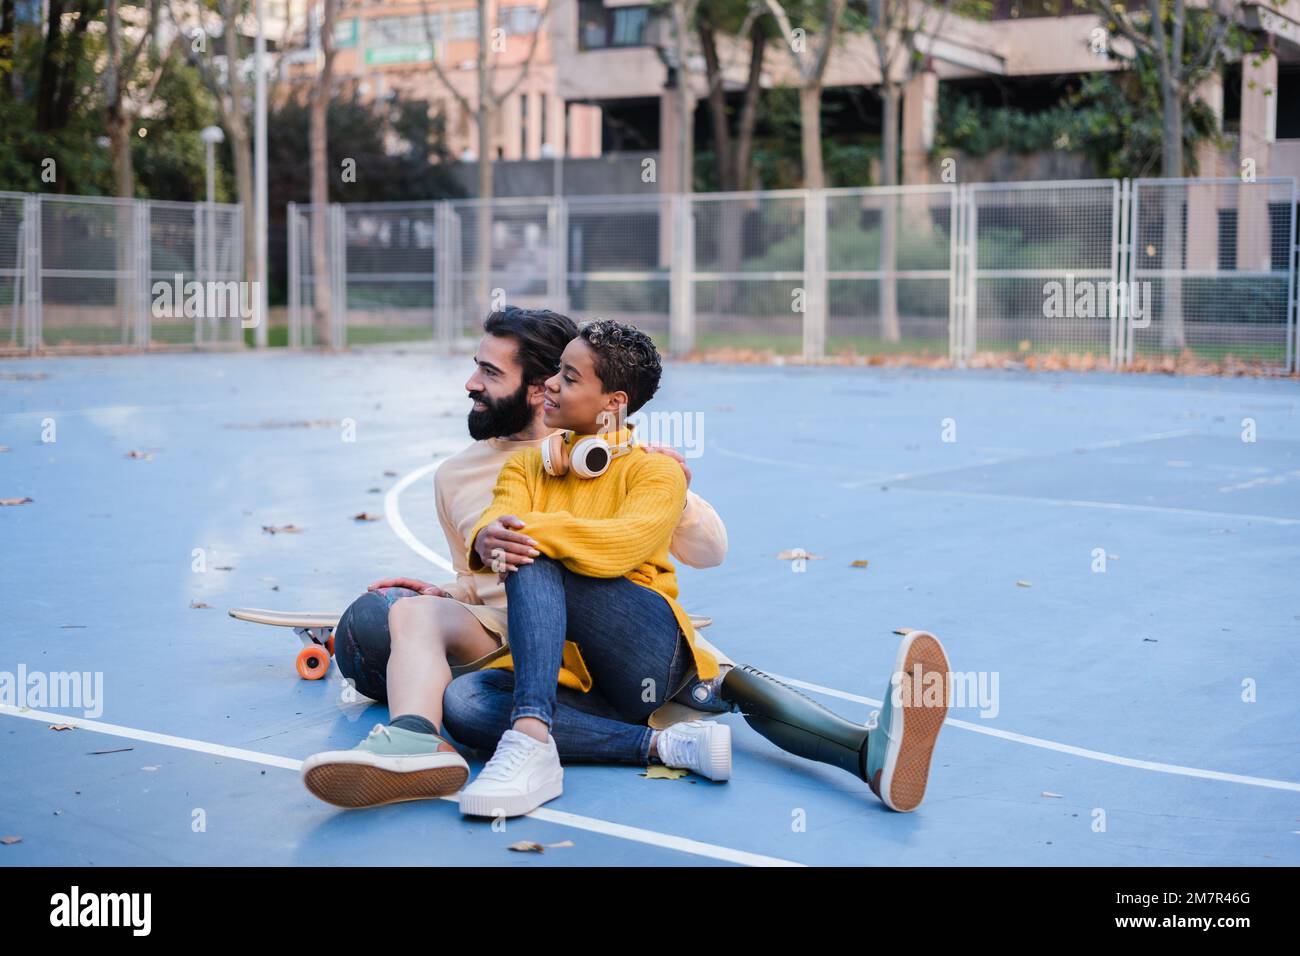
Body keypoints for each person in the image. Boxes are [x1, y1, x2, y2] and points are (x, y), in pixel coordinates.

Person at [301, 308, 951, 815]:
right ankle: (648, 745)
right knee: (468, 702)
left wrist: (663, 491)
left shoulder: (645, 469)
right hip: (549, 657)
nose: (472, 383)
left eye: (492, 373)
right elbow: (483, 572)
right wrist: (454, 587)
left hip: (636, 634)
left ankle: (534, 741)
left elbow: (672, 549)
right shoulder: (480, 475)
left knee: (710, 671)